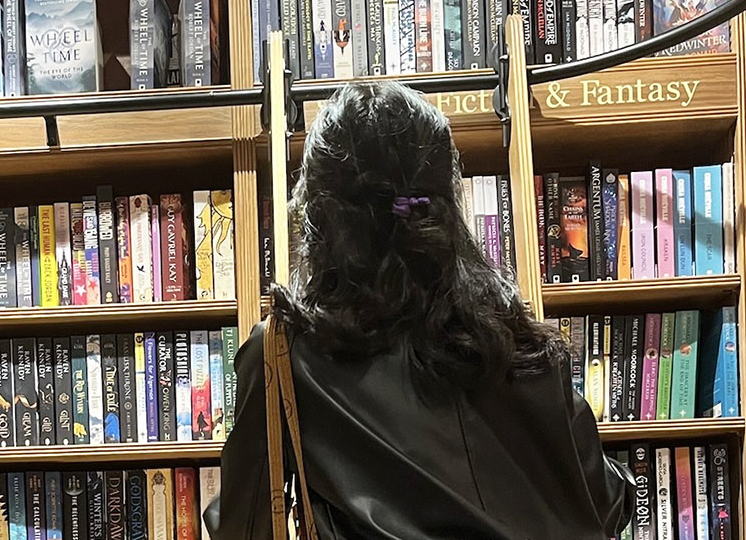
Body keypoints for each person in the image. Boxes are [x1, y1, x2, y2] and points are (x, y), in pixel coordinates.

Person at [204, 81, 633, 540]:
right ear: (446, 201)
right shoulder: (517, 338)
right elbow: (606, 505)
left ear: (319, 213)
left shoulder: (282, 355)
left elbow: (243, 526)